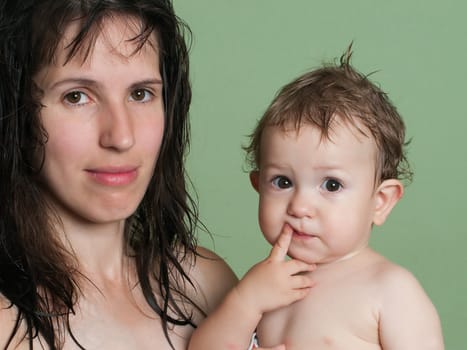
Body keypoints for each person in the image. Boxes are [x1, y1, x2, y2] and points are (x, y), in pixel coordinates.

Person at [0, 1, 246, 349]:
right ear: (16, 111)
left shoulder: (206, 286)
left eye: (140, 93)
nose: (121, 136)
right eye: (76, 96)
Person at [189, 46, 445, 349]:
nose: (299, 206)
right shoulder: (263, 289)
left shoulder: (390, 290)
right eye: (282, 182)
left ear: (380, 201)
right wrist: (245, 302)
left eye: (332, 185)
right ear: (257, 185)